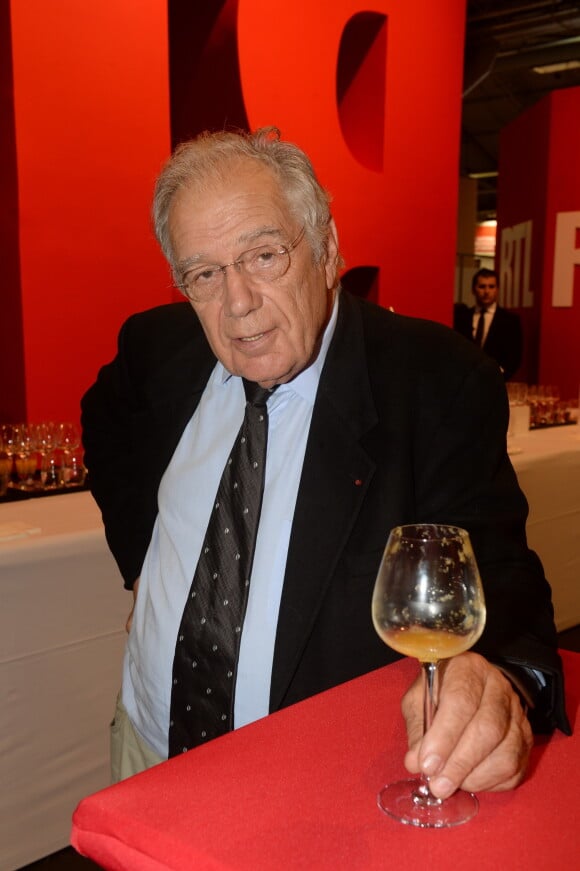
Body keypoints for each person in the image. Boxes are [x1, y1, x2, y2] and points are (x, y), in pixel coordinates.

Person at [81, 127, 569, 793]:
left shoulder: (435, 380)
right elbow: (103, 420)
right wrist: (140, 560)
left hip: (308, 778)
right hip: (147, 741)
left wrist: (505, 678)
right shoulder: (157, 348)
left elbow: (500, 575)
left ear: (327, 248)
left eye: (263, 255)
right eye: (203, 273)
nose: (237, 302)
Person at [454, 268, 522, 380]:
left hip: (497, 380)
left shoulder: (510, 321)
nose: (487, 291)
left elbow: (515, 357)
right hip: (464, 380)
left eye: (491, 287)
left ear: (497, 289)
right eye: (482, 286)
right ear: (473, 289)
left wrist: (500, 376)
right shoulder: (462, 317)